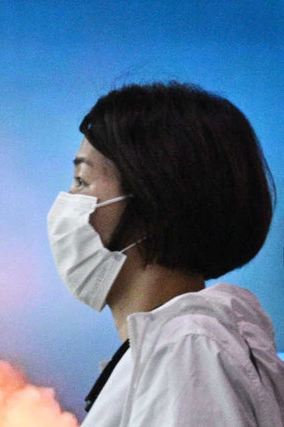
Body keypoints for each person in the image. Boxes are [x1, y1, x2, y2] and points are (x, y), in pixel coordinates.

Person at [46, 82, 284, 426]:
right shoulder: (174, 351)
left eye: (82, 181)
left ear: (151, 203)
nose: (67, 200)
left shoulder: (187, 352)